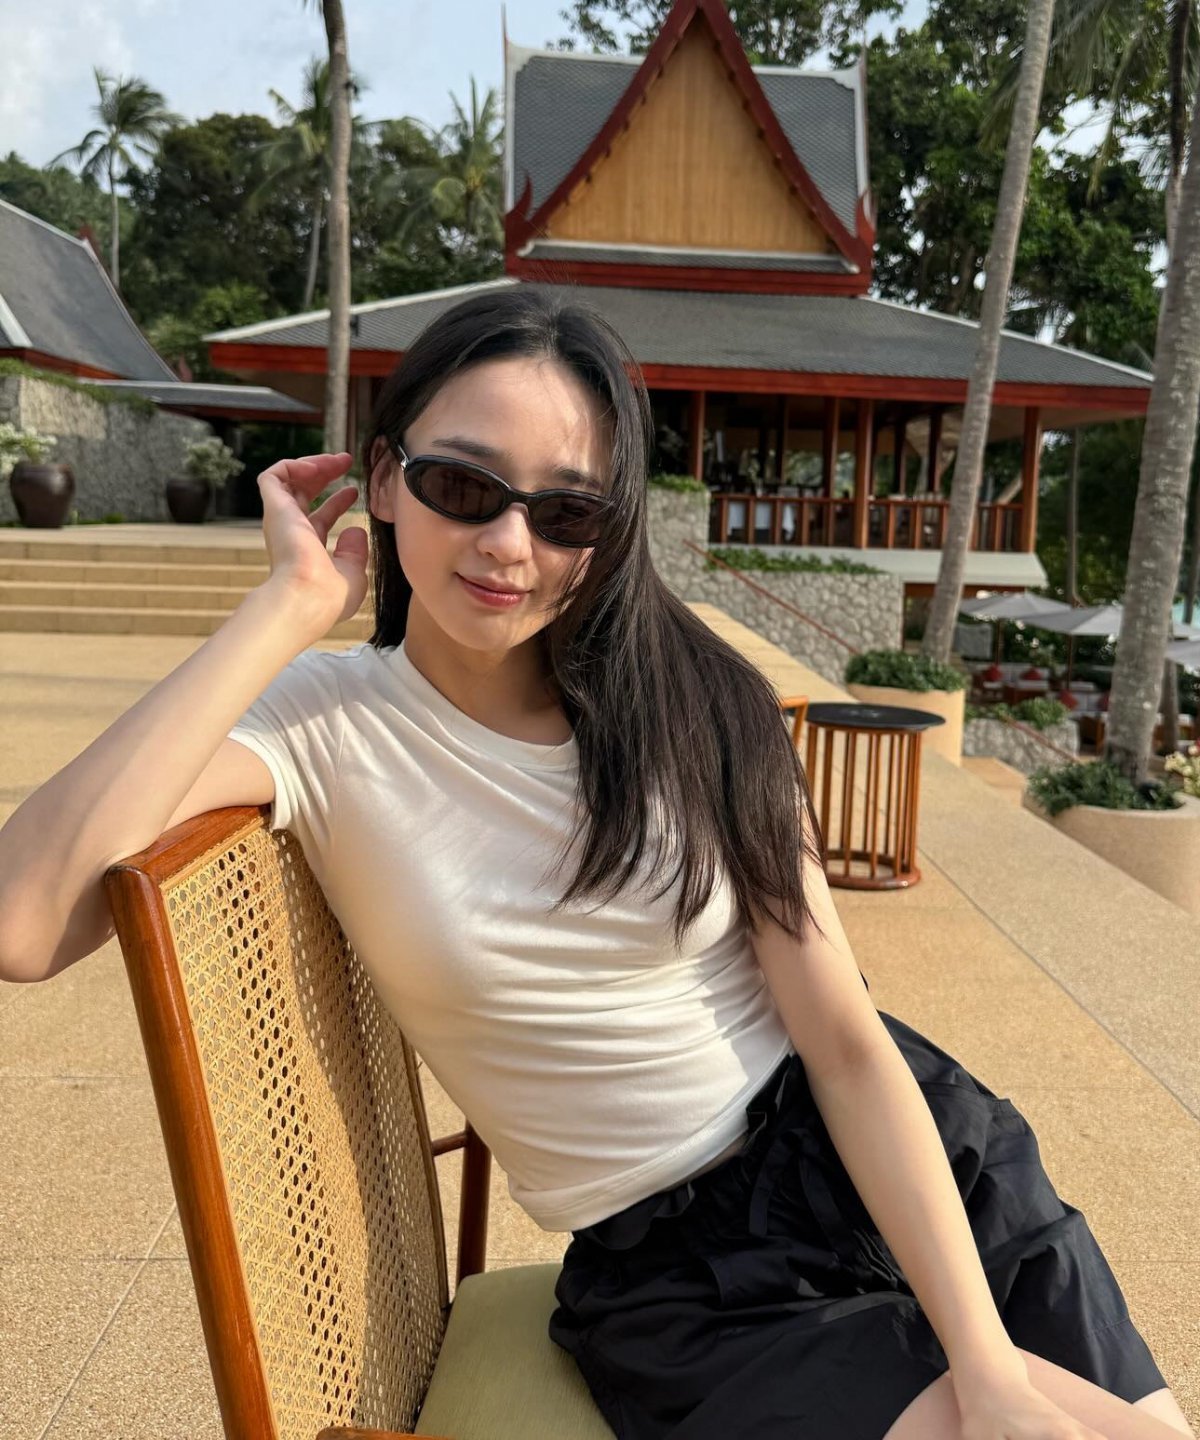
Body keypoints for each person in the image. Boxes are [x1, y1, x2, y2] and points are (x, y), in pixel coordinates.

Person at [0, 288, 1191, 1440]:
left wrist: (986, 1365)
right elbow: (22, 922)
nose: (508, 543)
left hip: (900, 1152)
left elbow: (842, 1041)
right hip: (689, 1282)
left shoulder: (698, 700)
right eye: (463, 486)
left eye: (566, 511)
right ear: (384, 479)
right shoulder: (322, 725)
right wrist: (287, 605)